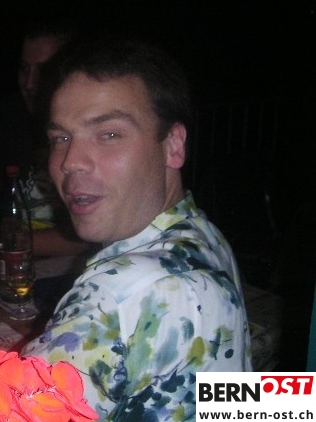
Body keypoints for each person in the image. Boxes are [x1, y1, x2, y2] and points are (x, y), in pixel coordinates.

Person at [21, 37, 252, 420]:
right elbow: (232, 400)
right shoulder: (201, 232)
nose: (70, 161)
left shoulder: (115, 295)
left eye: (109, 134)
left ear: (173, 145)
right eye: (61, 138)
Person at [0, 20, 93, 274]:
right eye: (24, 69)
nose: (30, 83)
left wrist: (22, 240)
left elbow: (101, 232)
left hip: (80, 264)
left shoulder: (91, 124)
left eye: (44, 70)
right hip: (15, 262)